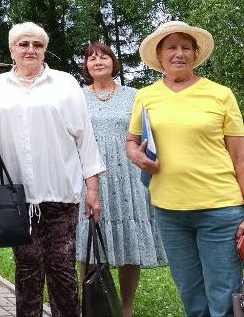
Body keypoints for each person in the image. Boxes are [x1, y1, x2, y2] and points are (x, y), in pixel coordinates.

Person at [126, 21, 244, 317]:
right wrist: (136, 157)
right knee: (192, 297)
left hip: (220, 210)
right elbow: (132, 141)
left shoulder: (220, 94)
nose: (179, 54)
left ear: (195, 54)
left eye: (185, 47)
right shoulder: (146, 96)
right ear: (160, 55)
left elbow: (242, 158)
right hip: (169, 212)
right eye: (172, 47)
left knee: (225, 297)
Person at [0, 22, 105, 317]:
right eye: (23, 44)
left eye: (37, 45)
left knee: (62, 268)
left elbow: (84, 137)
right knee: (26, 268)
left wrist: (93, 189)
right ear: (12, 49)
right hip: (16, 193)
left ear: (45, 50)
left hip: (60, 190)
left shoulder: (64, 83)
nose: (30, 50)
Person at [76, 42, 167, 317]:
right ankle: (94, 307)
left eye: (104, 56)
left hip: (128, 177)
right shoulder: (77, 97)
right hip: (90, 176)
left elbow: (148, 133)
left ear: (114, 63)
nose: (97, 61)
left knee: (130, 242)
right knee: (89, 240)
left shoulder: (135, 96)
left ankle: (125, 309)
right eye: (91, 58)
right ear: (86, 66)